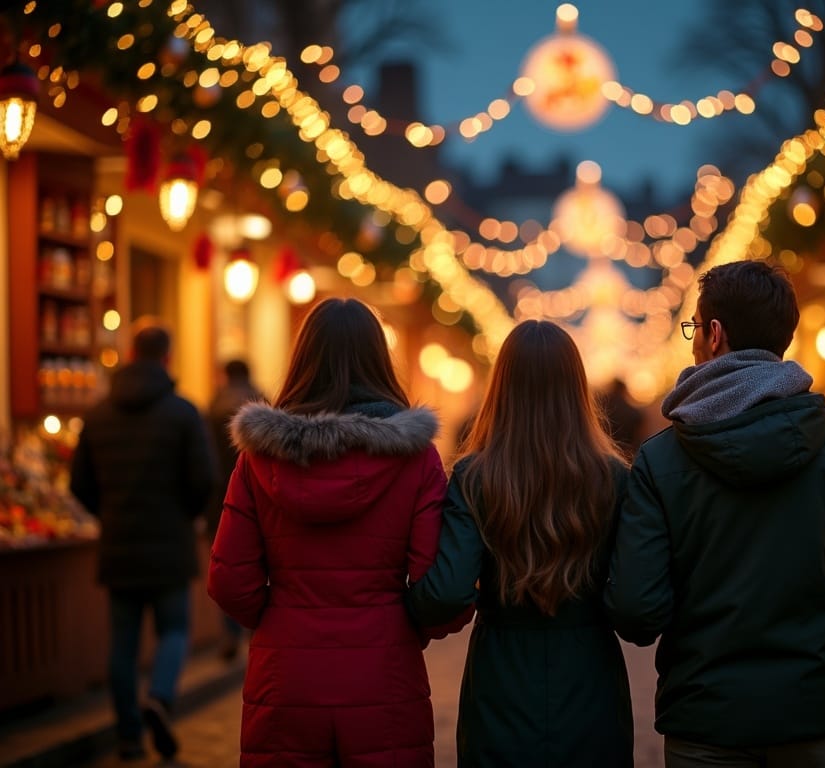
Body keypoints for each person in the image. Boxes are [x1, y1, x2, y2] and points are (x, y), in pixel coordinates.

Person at [604, 260, 825, 768]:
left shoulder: (662, 460)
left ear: (715, 334)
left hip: (706, 720)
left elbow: (637, 611)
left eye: (694, 329)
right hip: (814, 715)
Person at [206, 297, 449, 767]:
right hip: (385, 674)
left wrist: (283, 619)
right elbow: (437, 587)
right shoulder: (416, 460)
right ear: (379, 359)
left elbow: (229, 581)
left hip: (285, 677)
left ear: (302, 360)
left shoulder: (258, 460)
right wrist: (402, 626)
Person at [407, 320, 634, 767]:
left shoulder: (474, 476)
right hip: (589, 671)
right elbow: (632, 594)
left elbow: (448, 589)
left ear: (502, 388)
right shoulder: (613, 478)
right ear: (576, 389)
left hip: (501, 674)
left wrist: (408, 604)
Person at [70, 319, 215, 762]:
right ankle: (161, 697)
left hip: (118, 545)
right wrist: (183, 516)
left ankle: (129, 737)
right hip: (169, 543)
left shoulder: (97, 415)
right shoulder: (183, 413)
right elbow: (204, 479)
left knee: (123, 644)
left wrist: (109, 515)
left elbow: (79, 484)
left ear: (131, 354)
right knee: (174, 629)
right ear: (167, 357)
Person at [204, 359, 264, 662]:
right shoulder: (264, 405)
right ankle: (256, 632)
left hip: (221, 499)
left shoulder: (214, 406)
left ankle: (230, 633)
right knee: (261, 565)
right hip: (261, 497)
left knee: (230, 563)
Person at [598, 377, 646, 460]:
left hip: (603, 453)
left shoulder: (602, 411)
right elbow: (639, 439)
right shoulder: (633, 413)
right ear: (624, 390)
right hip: (626, 455)